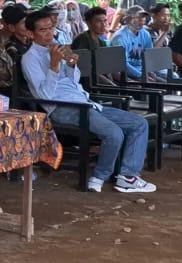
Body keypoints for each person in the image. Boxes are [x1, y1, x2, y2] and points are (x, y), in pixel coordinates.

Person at [20, 10, 156, 194]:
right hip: (63, 108)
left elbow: (73, 82)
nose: (48, 33)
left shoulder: (57, 47)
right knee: (114, 133)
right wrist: (53, 65)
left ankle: (127, 175)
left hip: (85, 102)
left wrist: (71, 64)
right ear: (30, 33)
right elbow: (45, 95)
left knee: (139, 123)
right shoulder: (30, 58)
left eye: (50, 28)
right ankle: (99, 176)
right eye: (42, 30)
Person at [110, 8, 152, 80]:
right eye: (139, 18)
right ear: (128, 20)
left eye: (143, 18)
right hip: (126, 75)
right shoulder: (119, 38)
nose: (142, 22)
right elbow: (123, 65)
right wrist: (141, 75)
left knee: (167, 81)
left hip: (143, 72)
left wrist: (150, 72)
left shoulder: (145, 34)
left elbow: (149, 57)